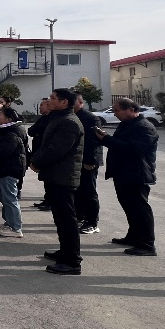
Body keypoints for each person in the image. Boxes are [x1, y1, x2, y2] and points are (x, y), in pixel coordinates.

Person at [92, 98, 159, 256]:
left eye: (117, 110)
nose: (115, 114)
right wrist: (105, 138)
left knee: (140, 209)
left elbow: (133, 149)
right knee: (130, 207)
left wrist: (106, 139)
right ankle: (134, 236)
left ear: (131, 109)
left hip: (137, 174)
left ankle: (147, 244)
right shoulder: (127, 124)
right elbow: (119, 144)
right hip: (123, 173)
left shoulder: (144, 127)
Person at [29, 88, 85, 275]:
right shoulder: (58, 118)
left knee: (67, 219)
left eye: (53, 98)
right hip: (55, 175)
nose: (48, 100)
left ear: (64, 102)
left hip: (63, 177)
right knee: (60, 218)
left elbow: (56, 150)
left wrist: (36, 161)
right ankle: (65, 251)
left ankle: (72, 261)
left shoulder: (69, 122)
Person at [0, 107, 27, 238]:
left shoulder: (12, 133)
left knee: (10, 199)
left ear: (8, 119)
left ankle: (16, 227)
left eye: (0, 115)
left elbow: (4, 152)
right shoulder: (4, 131)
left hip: (9, 170)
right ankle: (9, 223)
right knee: (4, 198)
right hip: (2, 169)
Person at [73, 93, 104, 235]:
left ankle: (92, 222)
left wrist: (90, 160)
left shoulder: (90, 118)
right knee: (78, 190)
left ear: (81, 103)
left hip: (88, 161)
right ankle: (80, 215)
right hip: (77, 160)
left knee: (89, 191)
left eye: (74, 102)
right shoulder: (73, 116)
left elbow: (93, 141)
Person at [29, 98, 52, 210]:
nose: (40, 108)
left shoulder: (51, 119)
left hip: (46, 152)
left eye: (42, 105)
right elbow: (31, 130)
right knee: (45, 178)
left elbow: (43, 132)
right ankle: (47, 199)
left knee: (49, 178)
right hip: (38, 151)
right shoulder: (42, 119)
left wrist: (38, 133)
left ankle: (50, 201)